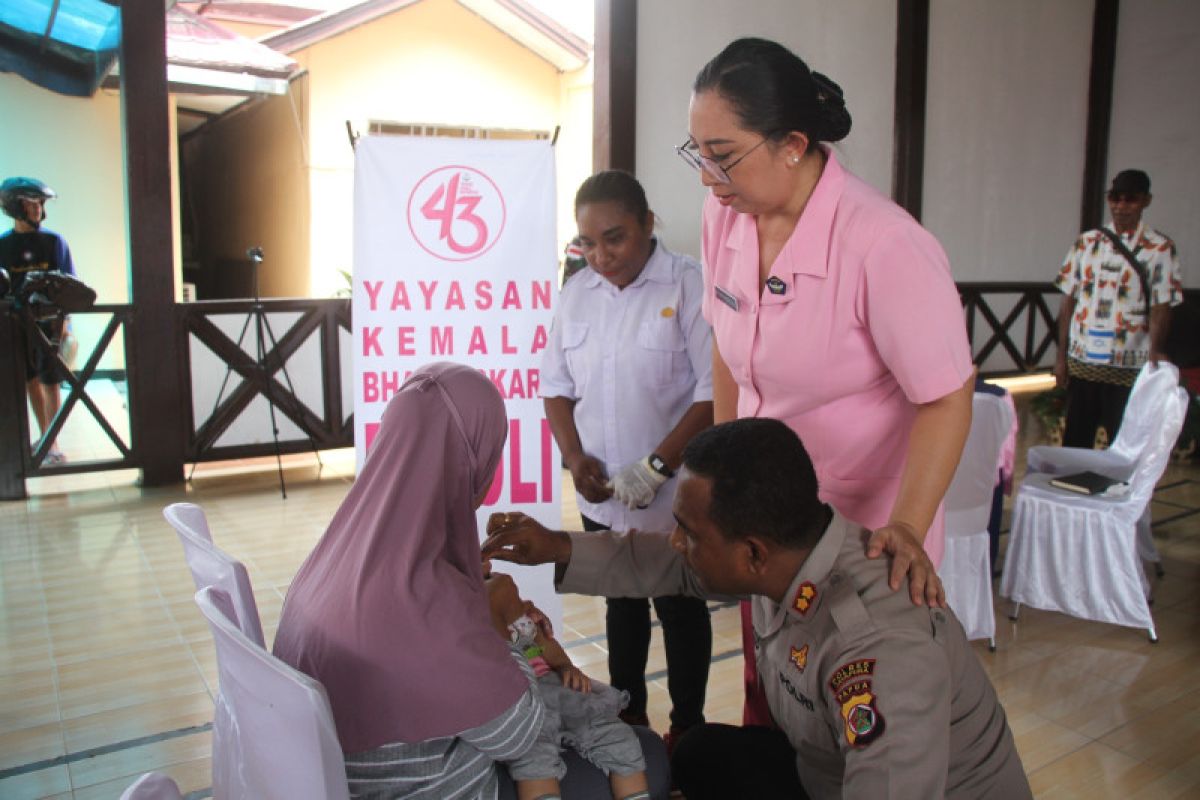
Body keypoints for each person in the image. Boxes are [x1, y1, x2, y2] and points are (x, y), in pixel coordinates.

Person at [482, 419, 1032, 799]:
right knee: (700, 754)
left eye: (689, 533)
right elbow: (660, 563)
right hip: (828, 775)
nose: (676, 543)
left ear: (751, 554)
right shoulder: (794, 549)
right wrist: (557, 547)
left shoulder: (881, 651)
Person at [676, 37, 974, 723]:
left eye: (722, 155)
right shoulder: (728, 214)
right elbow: (727, 341)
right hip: (767, 528)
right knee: (771, 695)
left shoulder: (883, 242)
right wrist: (725, 473)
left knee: (853, 717)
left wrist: (905, 525)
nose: (706, 177)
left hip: (861, 533)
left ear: (791, 144)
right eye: (697, 152)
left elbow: (946, 396)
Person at [540, 171, 713, 745]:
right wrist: (573, 456)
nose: (600, 255)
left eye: (614, 238)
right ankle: (630, 714)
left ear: (648, 225)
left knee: (680, 605)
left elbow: (713, 393)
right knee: (622, 601)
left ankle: (688, 726)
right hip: (602, 490)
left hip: (675, 493)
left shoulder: (688, 286)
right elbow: (557, 386)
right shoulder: (576, 293)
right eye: (587, 243)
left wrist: (656, 468)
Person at [485, 566, 650, 800]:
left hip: (556, 688)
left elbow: (546, 644)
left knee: (619, 738)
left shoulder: (519, 614)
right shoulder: (457, 623)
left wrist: (565, 666)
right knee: (534, 756)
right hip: (517, 700)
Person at [1053, 168, 1184, 449]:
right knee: (1076, 436)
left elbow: (1162, 305)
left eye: (1130, 199)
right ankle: (1075, 487)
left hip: (1129, 360)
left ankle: (1118, 490)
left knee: (1123, 437)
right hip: (1083, 357)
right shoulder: (1087, 243)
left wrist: (1155, 350)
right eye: (1115, 198)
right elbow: (1068, 302)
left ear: (1146, 201)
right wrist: (1061, 356)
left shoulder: (1159, 248)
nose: (1121, 206)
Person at [0, 176, 78, 464]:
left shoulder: (54, 242)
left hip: (50, 324)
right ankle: (46, 438)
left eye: (40, 204)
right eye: (32, 203)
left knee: (51, 380)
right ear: (15, 207)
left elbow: (69, 284)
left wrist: (66, 327)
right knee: (29, 380)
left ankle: (52, 442)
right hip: (15, 325)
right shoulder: (3, 246)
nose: (38, 210)